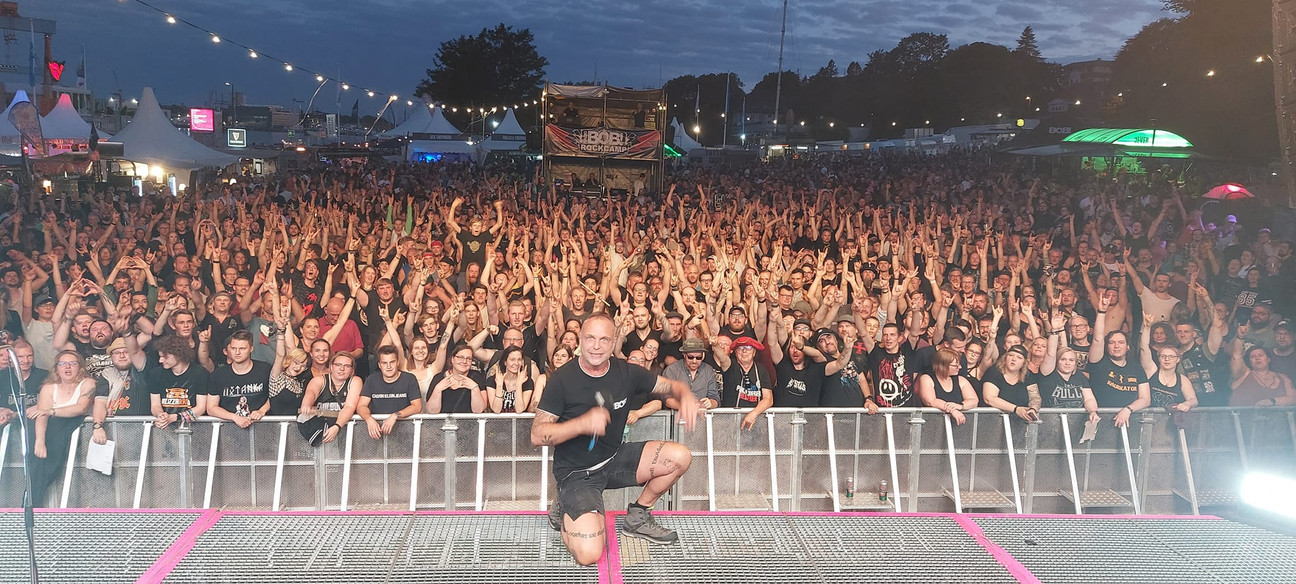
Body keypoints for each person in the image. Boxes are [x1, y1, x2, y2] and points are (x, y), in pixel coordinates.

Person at [531, 314, 699, 565]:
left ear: (613, 343)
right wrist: (581, 424)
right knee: (589, 554)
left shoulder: (627, 372)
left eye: (604, 340)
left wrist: (685, 394)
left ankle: (638, 516)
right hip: (576, 474)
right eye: (590, 338)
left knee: (680, 457)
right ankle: (564, 506)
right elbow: (536, 435)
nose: (596, 346)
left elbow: (669, 386)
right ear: (580, 340)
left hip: (613, 459)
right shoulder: (562, 379)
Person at [29, 350, 95, 504]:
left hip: (75, 427)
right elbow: (41, 415)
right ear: (56, 368)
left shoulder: (88, 383)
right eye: (63, 363)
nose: (67, 367)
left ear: (80, 367)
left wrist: (51, 411)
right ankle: (32, 502)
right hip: (51, 430)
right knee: (37, 456)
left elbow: (81, 408)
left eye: (72, 363)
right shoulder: (48, 388)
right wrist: (39, 441)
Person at [1087, 297, 1151, 427]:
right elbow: (1098, 339)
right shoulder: (1099, 363)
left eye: (1121, 342)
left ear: (1128, 347)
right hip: (1100, 421)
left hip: (1128, 422)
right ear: (1107, 347)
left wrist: (1128, 410)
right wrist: (1101, 312)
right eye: (1112, 343)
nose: (1116, 346)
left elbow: (1145, 399)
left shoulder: (1137, 369)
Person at [204, 331, 273, 429]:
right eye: (233, 348)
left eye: (242, 348)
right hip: (229, 430)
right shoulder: (218, 374)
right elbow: (211, 408)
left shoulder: (265, 369)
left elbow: (275, 395)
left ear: (251, 349)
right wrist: (234, 417)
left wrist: (262, 410)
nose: (237, 352)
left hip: (262, 429)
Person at [357, 345, 424, 440]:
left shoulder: (409, 379)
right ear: (379, 365)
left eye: (392, 362)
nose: (388, 366)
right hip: (378, 433)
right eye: (384, 363)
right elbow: (361, 406)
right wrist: (369, 419)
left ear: (398, 362)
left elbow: (417, 406)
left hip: (405, 433)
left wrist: (395, 415)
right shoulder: (372, 380)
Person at [299, 352, 363, 444]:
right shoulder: (319, 380)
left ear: (351, 370)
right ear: (331, 367)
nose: (342, 369)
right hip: (320, 428)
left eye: (347, 366)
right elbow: (311, 392)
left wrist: (337, 426)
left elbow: (350, 406)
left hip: (343, 429)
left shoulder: (355, 381)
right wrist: (306, 404)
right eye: (338, 365)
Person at [712, 335, 774, 430]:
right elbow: (723, 358)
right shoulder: (730, 365)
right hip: (729, 423)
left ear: (754, 352)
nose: (744, 351)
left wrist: (753, 414)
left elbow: (768, 399)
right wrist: (715, 345)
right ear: (735, 352)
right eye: (740, 348)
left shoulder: (761, 369)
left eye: (748, 348)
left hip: (755, 422)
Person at [150, 335, 211, 429]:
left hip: (194, 429)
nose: (160, 360)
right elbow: (155, 405)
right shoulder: (156, 374)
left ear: (178, 355)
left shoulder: (200, 373)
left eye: (165, 357)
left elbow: (201, 408)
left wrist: (175, 417)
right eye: (160, 356)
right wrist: (161, 416)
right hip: (165, 429)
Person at [1229, 327, 1296, 406]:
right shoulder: (1243, 374)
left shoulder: (1283, 378)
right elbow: (1236, 356)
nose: (1257, 358)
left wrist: (1273, 401)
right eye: (1253, 357)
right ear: (1249, 361)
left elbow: (1294, 399)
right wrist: (1240, 338)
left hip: (1276, 414)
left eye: (1261, 355)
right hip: (1245, 414)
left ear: (1268, 359)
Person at [917, 348, 979, 425]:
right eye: (955, 365)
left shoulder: (961, 380)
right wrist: (952, 410)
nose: (960, 367)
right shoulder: (926, 378)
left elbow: (974, 400)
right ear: (943, 366)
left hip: (959, 425)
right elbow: (931, 401)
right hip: (933, 425)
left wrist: (960, 406)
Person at [661, 338, 719, 410]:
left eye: (698, 357)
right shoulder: (671, 370)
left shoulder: (708, 370)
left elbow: (715, 398)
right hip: (677, 415)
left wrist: (710, 403)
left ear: (703, 356)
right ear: (684, 355)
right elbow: (667, 400)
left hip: (702, 414)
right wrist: (689, 408)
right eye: (690, 357)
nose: (694, 361)